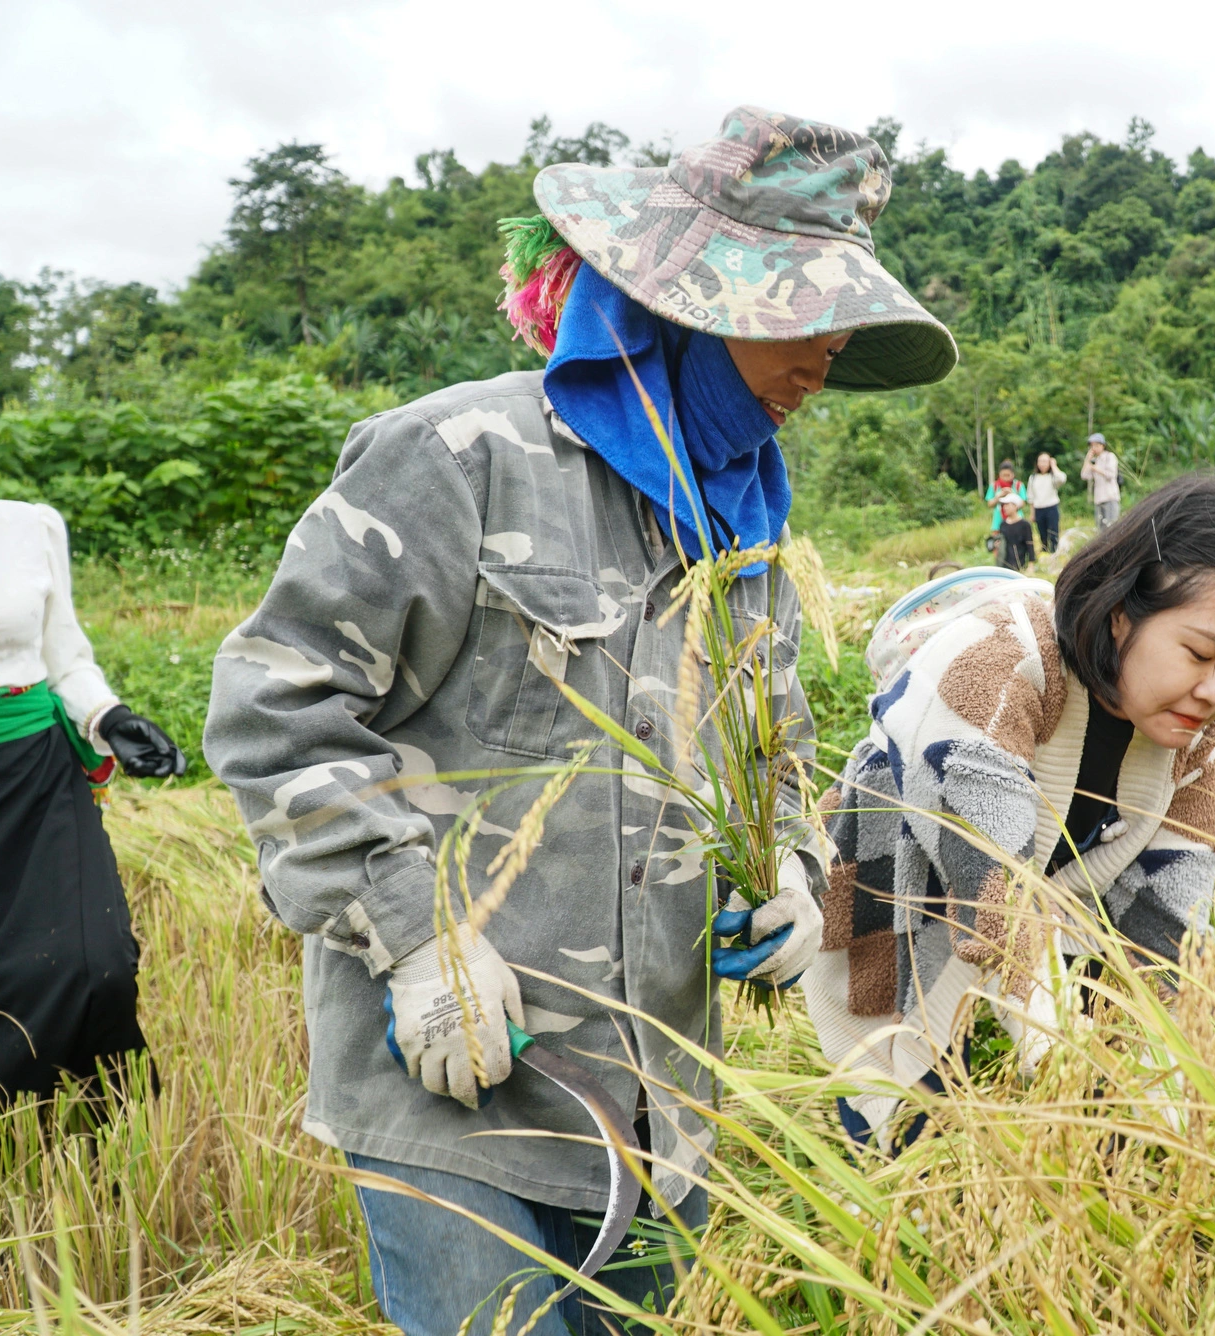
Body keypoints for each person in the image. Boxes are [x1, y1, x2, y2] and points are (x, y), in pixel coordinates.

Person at [203, 108, 955, 1336]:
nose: (826, 350)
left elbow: (780, 739)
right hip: (463, 1089)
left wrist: (792, 871)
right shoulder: (461, 457)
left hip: (661, 1109)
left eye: (837, 313)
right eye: (794, 309)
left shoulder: (742, 521)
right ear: (692, 300)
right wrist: (413, 934)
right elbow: (275, 703)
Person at [802, 472, 1215, 1150]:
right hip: (909, 883)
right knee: (913, 1128)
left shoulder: (1202, 752)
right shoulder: (988, 669)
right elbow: (995, 899)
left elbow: (1168, 934)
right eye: (1199, 653)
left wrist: (1169, 1104)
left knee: (1175, 1083)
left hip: (1057, 899)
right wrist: (1073, 1068)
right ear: (1123, 613)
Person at [0, 500, 187, 1100]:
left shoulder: (30, 526)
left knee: (96, 963)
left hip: (35, 773)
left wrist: (110, 717)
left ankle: (91, 1141)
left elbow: (65, 659)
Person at [1028, 452, 1067, 553]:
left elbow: (1062, 479)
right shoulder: (1033, 478)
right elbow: (1031, 497)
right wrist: (1032, 513)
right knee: (1042, 534)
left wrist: (1054, 466)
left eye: (1045, 461)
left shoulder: (1052, 477)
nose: (1042, 464)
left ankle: (1055, 552)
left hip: (1051, 507)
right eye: (1040, 461)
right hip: (1038, 508)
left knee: (1053, 532)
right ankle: (1045, 552)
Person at [984, 458, 1025, 555]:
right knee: (998, 545)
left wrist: (1012, 495)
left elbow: (1023, 503)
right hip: (998, 521)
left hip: (1016, 521)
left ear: (1013, 474)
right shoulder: (994, 486)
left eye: (1008, 475)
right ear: (999, 475)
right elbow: (989, 504)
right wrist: (999, 496)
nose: (1006, 478)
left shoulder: (1018, 485)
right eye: (1003, 475)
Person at [1081, 433, 1120, 529]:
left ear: (1103, 445)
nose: (1094, 448)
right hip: (1099, 499)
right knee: (1101, 529)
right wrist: (1087, 460)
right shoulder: (1095, 460)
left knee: (1112, 526)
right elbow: (1084, 476)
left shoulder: (1110, 457)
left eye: (1096, 445)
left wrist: (1095, 469)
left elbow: (1111, 475)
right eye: (1092, 446)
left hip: (1110, 496)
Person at [996, 489, 1035, 570]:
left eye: (1007, 505)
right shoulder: (1002, 524)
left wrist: (1031, 565)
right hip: (1004, 565)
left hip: (1020, 564)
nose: (1005, 508)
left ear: (1015, 506)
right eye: (1003, 505)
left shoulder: (1025, 524)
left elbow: (1030, 544)